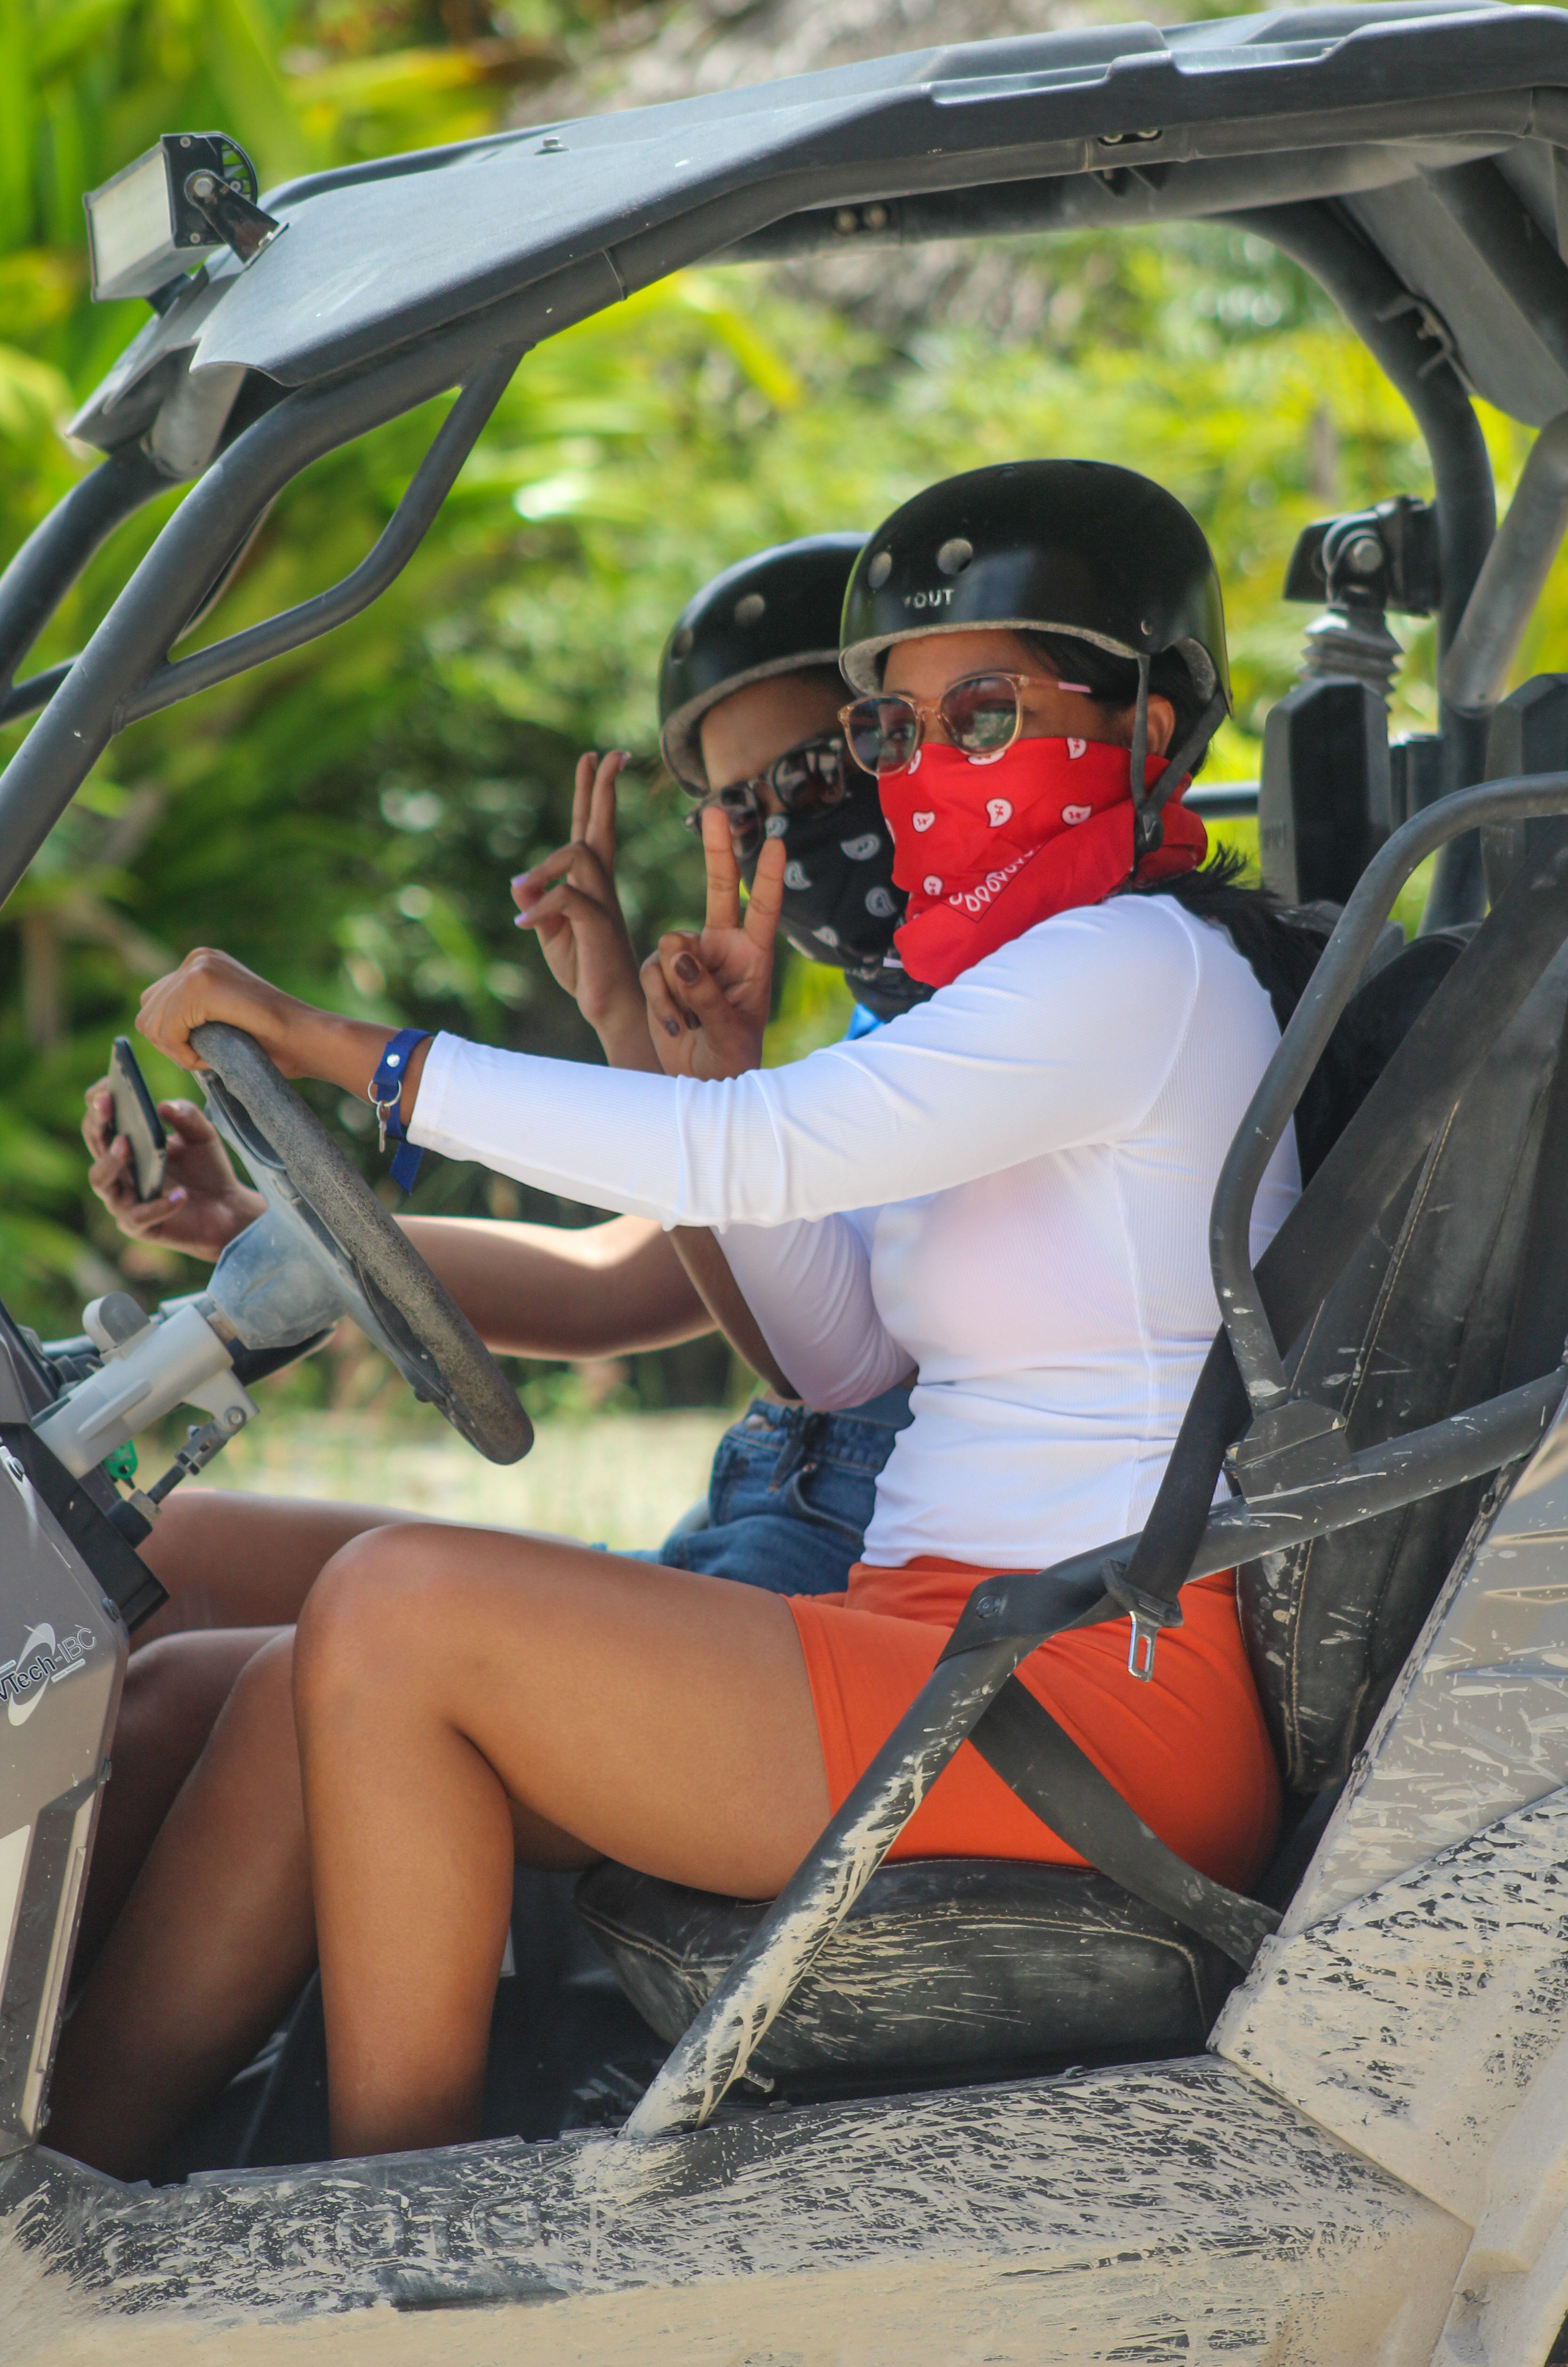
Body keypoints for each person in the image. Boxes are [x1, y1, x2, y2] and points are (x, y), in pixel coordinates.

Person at [50, 461, 1305, 2179]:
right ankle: (71, 2212)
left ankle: (396, 2244)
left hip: (1083, 1698)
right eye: (902, 725)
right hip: (945, 1649)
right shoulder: (1005, 996)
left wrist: (344, 1047)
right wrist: (714, 1076)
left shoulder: (1138, 972)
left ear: (1151, 719)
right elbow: (849, 1357)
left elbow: (757, 1156)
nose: (929, 765)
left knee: (402, 1606)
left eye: (991, 710)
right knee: (278, 1696)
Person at [70, 534, 917, 1977]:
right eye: (740, 805)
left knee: (261, 1689)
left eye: (823, 780)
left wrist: (663, 1080)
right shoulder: (872, 1034)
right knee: (166, 1573)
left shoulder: (994, 1050)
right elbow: (618, 1280)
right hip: (735, 1549)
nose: (786, 830)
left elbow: (819, 1356)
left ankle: (109, 2157)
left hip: (825, 1608)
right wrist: (261, 1231)